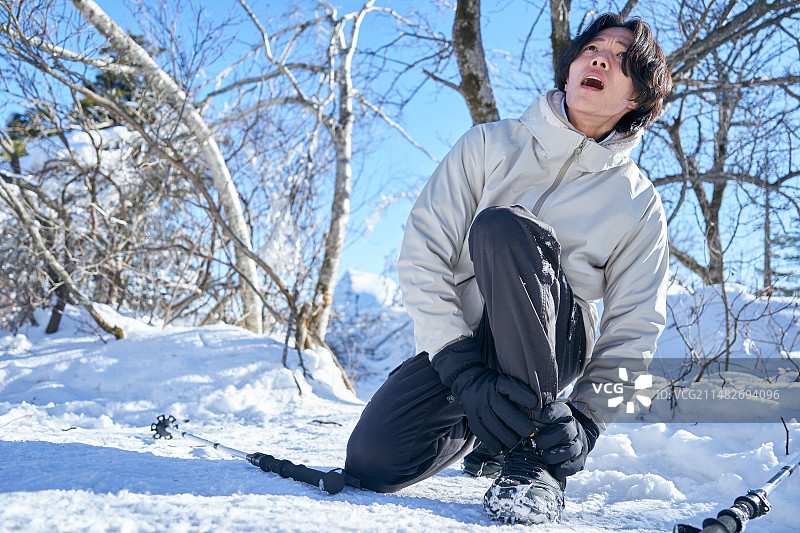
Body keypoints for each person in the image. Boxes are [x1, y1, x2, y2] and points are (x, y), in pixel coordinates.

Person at [344, 13, 672, 525]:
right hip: (466, 344)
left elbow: (636, 324)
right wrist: (458, 367)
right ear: (569, 69)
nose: (600, 58)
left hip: (555, 338)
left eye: (622, 58)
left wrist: (587, 419)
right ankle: (493, 429)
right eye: (592, 49)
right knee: (372, 462)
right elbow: (423, 252)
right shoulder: (487, 145)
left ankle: (533, 464)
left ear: (637, 100)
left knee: (502, 228)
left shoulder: (638, 201)